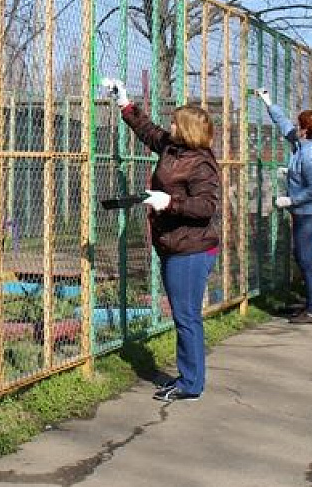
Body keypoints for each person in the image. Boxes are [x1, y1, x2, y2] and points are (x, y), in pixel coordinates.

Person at [102, 78, 220, 403]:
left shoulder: (201, 164)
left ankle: (191, 383)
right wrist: (125, 104)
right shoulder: (173, 148)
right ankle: (190, 378)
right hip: (175, 244)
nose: (169, 124)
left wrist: (169, 202)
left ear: (187, 129)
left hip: (191, 249)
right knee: (185, 315)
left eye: (175, 121)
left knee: (185, 316)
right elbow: (148, 131)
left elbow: (206, 206)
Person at [256, 89, 312, 325]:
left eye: (300, 124)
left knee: (305, 259)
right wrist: (268, 102)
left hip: (309, 213)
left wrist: (291, 200)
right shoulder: (301, 145)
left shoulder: (311, 155)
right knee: (302, 257)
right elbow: (284, 125)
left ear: (306, 129)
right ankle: (310, 304)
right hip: (301, 212)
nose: (296, 127)